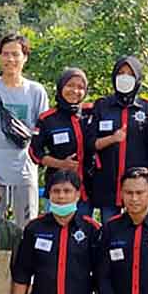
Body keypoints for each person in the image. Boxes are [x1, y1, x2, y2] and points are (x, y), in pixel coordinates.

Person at [0, 32, 49, 229]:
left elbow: (41, 130)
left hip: (25, 169)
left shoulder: (36, 91)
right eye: (6, 54)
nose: (10, 59)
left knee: (26, 225)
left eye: (16, 54)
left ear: (25, 57)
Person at [86, 56, 148, 222]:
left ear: (138, 78)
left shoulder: (147, 107)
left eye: (130, 74)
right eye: (121, 73)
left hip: (138, 187)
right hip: (108, 184)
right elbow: (90, 144)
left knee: (138, 234)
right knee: (110, 234)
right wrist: (112, 139)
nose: (125, 78)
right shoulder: (102, 106)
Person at [30, 68, 94, 213]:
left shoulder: (91, 113)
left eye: (80, 87)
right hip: (58, 189)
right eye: (70, 85)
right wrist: (61, 164)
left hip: (87, 190)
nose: (75, 91)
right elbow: (34, 152)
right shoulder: (47, 119)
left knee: (83, 233)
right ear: (61, 87)